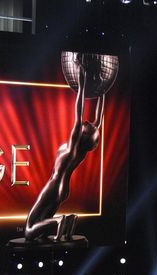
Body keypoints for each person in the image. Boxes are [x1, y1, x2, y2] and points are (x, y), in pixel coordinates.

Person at [25, 55, 107, 241]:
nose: (88, 122)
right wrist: (102, 90)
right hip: (64, 189)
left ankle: (59, 220)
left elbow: (78, 113)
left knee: (28, 230)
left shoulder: (73, 146)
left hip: (54, 185)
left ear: (83, 134)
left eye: (87, 127)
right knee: (41, 227)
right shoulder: (81, 150)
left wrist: (82, 82)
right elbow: (99, 119)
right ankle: (69, 222)